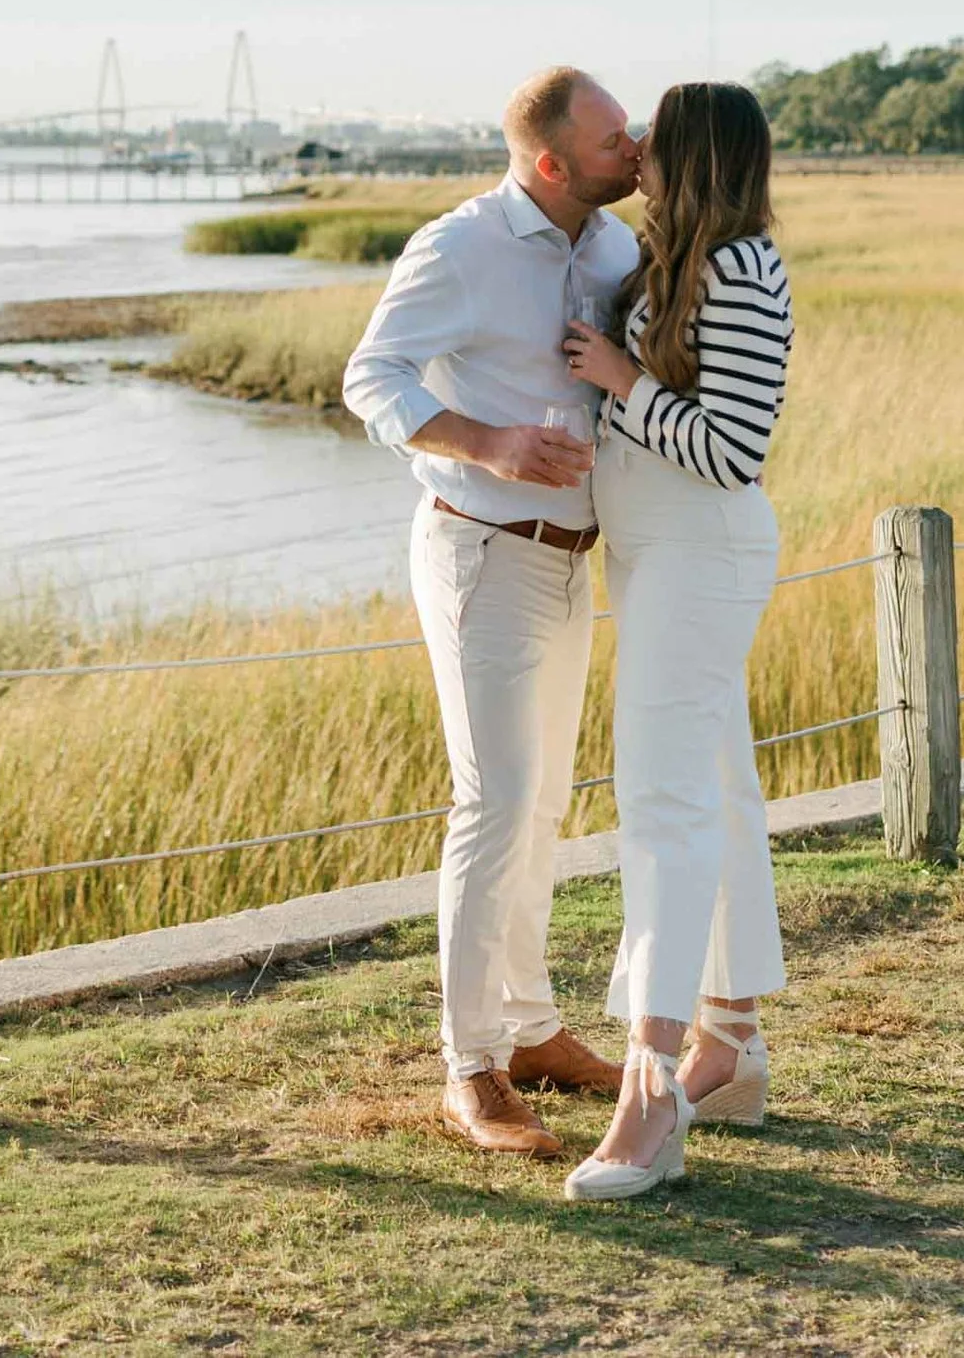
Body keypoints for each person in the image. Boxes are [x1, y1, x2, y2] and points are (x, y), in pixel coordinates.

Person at [342, 65, 642, 1161]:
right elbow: (368, 378)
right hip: (479, 550)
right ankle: (467, 1065)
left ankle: (531, 1030)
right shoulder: (458, 245)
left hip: (572, 561)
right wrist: (489, 442)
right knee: (495, 800)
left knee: (546, 802)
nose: (638, 150)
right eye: (618, 140)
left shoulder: (615, 246)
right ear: (552, 162)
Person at [560, 78, 794, 1203]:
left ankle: (649, 1094)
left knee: (659, 806)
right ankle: (730, 1048)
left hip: (702, 551)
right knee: (717, 789)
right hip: (659, 555)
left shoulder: (744, 268)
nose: (637, 145)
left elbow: (732, 447)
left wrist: (621, 382)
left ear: (696, 152)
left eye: (656, 132)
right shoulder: (672, 262)